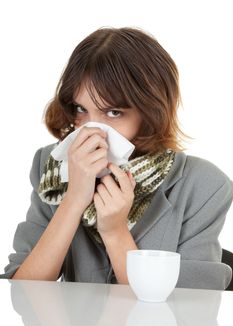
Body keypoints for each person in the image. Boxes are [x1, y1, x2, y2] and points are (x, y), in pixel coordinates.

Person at [0, 26, 232, 290]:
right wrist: (74, 200)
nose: (92, 130)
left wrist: (115, 232)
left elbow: (191, 310)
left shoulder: (204, 185)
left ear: (150, 113)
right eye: (81, 109)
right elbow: (19, 292)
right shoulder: (52, 166)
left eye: (113, 112)